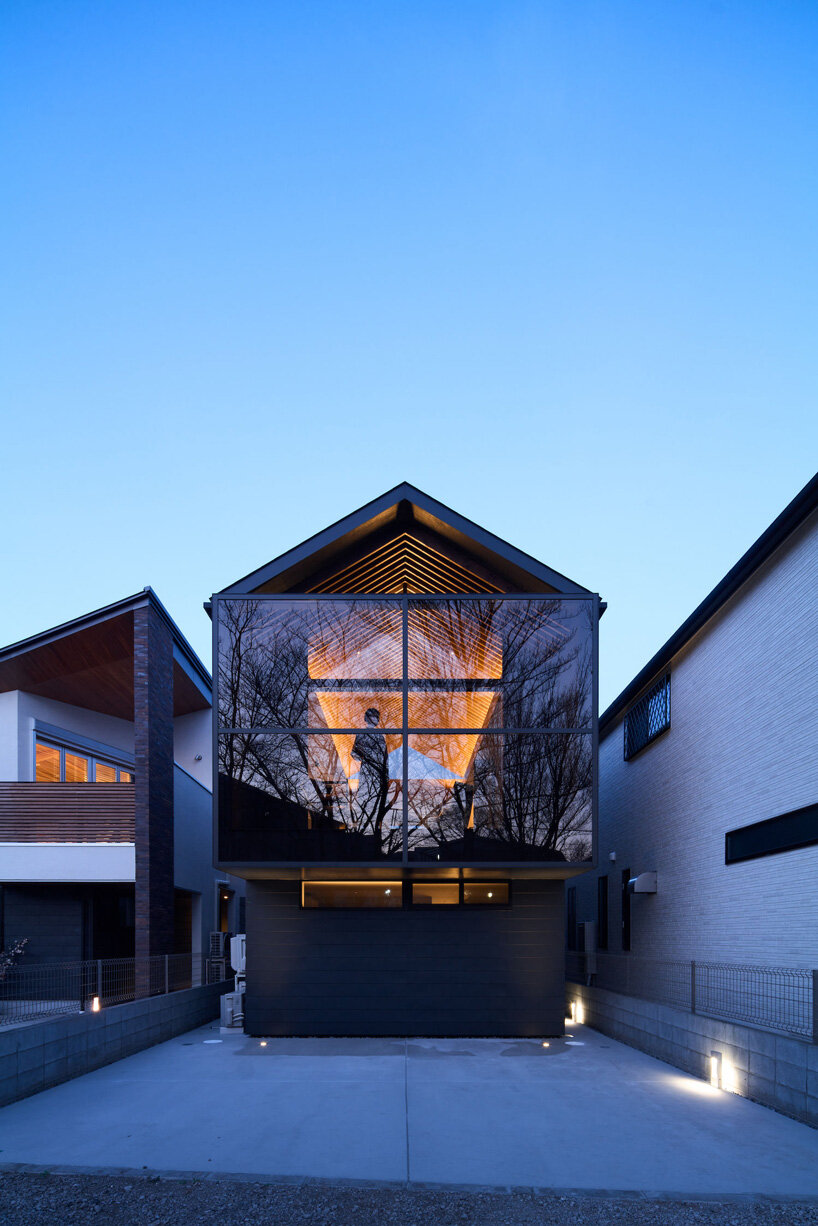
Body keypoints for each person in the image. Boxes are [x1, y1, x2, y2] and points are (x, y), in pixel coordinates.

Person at [350, 707, 389, 829]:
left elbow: (385, 755)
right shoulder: (362, 734)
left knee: (377, 799)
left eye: (376, 717)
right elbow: (354, 753)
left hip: (378, 771)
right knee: (366, 798)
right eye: (373, 716)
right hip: (367, 770)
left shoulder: (380, 736)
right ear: (367, 718)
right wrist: (365, 757)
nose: (375, 719)